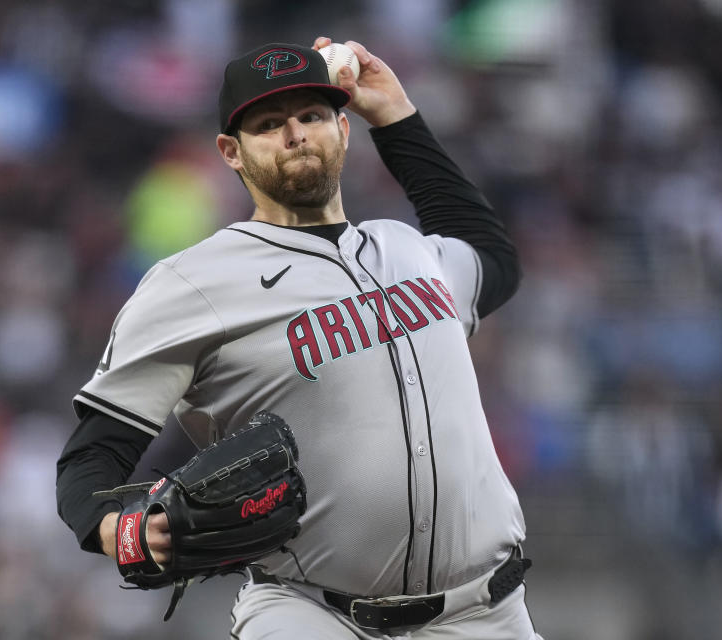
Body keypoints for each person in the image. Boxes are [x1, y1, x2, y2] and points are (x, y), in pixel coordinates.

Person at [56, 36, 542, 639]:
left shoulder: (407, 249)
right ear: (231, 152)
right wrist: (119, 528)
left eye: (312, 115)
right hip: (313, 614)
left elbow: (493, 257)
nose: (296, 133)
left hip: (485, 615)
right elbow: (91, 457)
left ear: (342, 127)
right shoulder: (191, 284)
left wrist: (395, 117)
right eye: (269, 123)